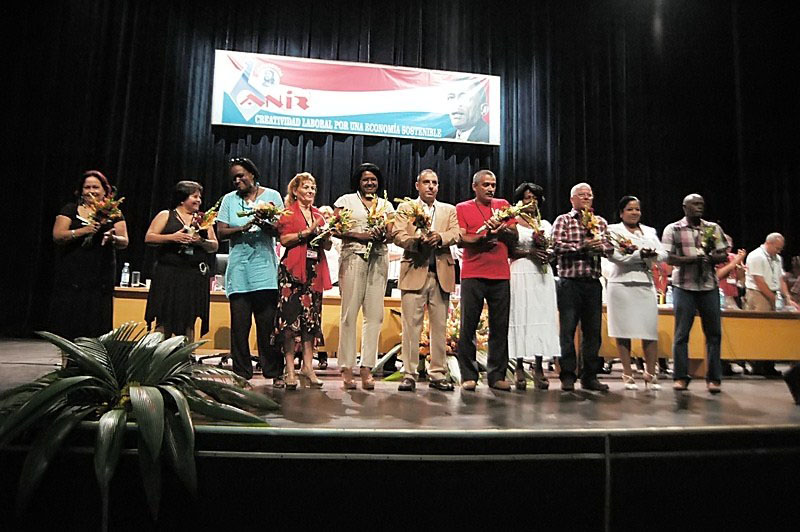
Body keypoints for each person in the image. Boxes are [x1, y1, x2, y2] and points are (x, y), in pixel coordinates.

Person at [216, 157, 284, 383]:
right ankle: (241, 374)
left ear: (252, 175)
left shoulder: (272, 196)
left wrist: (265, 224)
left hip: (264, 272)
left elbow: (281, 231)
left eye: (241, 176)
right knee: (240, 328)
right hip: (239, 272)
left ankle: (274, 372)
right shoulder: (229, 200)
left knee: (267, 327)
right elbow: (221, 232)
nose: (237, 180)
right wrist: (243, 227)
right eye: (234, 178)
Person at [393, 169, 460, 392]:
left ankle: (438, 373)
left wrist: (441, 238)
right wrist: (417, 242)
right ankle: (409, 373)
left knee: (440, 327)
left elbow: (457, 233)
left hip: (441, 273)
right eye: (426, 182)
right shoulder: (406, 208)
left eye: (434, 183)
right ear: (417, 185)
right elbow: (397, 234)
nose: (431, 186)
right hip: (414, 270)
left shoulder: (448, 209)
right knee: (411, 326)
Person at [333, 163, 395, 389]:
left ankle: (367, 368)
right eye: (365, 179)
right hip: (353, 258)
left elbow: (391, 234)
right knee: (349, 314)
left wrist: (382, 235)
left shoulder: (386, 204)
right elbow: (335, 228)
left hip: (378, 259)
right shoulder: (346, 201)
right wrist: (360, 235)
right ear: (358, 182)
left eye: (374, 179)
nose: (370, 183)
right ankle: (346, 368)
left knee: (375, 315)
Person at [455, 169, 517, 391]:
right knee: (468, 327)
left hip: (500, 274)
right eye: (486, 185)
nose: (491, 188)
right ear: (475, 187)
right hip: (473, 273)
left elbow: (515, 236)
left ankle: (497, 375)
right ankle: (468, 375)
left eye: (493, 184)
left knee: (500, 327)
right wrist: (484, 238)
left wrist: (502, 232)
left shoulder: (503, 206)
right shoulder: (463, 208)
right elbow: (462, 239)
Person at [661, 193, 728, 393]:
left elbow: (723, 252)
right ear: (685, 207)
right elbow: (667, 258)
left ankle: (714, 378)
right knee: (682, 334)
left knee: (714, 334)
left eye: (701, 204)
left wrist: (714, 257)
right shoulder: (673, 229)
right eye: (695, 204)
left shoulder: (713, 228)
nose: (699, 207)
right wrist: (691, 260)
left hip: (708, 285)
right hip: (684, 286)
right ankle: (681, 377)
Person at [50, 170, 129, 339]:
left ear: (104, 190)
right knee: (71, 317)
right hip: (73, 272)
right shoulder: (70, 209)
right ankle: (68, 361)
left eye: (96, 187)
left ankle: (93, 361)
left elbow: (125, 241)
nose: (91, 191)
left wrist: (113, 237)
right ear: (81, 190)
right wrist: (82, 231)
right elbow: (58, 235)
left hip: (101, 272)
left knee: (97, 316)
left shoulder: (114, 212)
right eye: (87, 187)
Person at [552, 183, 614, 392]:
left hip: (592, 283)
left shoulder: (600, 222)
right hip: (569, 283)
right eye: (582, 195)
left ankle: (590, 376)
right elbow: (556, 246)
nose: (586, 198)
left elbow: (610, 247)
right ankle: (568, 375)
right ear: (572, 200)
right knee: (568, 330)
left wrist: (600, 247)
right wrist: (582, 247)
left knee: (593, 333)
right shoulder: (564, 220)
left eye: (589, 194)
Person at [273, 173, 332, 389]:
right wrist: (305, 233)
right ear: (295, 191)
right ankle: (289, 369)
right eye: (306, 187)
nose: (310, 191)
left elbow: (327, 247)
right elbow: (284, 239)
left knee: (311, 321)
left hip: (314, 271)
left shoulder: (319, 214)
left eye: (313, 188)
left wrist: (326, 237)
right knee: (289, 323)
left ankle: (308, 366)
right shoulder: (288, 213)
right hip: (292, 273)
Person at [605, 196, 667, 390]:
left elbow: (662, 253)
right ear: (622, 212)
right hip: (620, 284)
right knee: (623, 331)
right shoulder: (612, 230)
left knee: (649, 330)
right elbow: (615, 257)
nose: (634, 213)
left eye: (637, 209)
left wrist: (651, 254)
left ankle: (650, 374)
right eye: (630, 209)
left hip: (644, 283)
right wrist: (640, 255)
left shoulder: (649, 231)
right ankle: (627, 373)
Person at [144, 181, 218, 340]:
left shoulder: (203, 219)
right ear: (182, 198)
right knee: (164, 317)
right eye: (195, 196)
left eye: (200, 197)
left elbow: (214, 245)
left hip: (192, 276)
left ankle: (186, 358)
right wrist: (173, 238)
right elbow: (149, 238)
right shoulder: (166, 215)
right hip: (168, 274)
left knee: (188, 319)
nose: (199, 200)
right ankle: (160, 358)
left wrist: (200, 242)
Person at [508, 183, 559, 390]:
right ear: (520, 200)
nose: (531, 201)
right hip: (520, 271)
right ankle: (519, 366)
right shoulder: (514, 223)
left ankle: (539, 367)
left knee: (541, 317)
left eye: (535, 198)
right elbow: (509, 251)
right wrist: (529, 253)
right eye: (527, 197)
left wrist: (548, 253)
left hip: (542, 274)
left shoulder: (545, 224)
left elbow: (554, 247)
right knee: (521, 316)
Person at [744, 233, 799, 377]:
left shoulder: (777, 258)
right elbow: (759, 281)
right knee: (759, 330)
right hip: (758, 294)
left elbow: (780, 279)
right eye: (777, 248)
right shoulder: (756, 256)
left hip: (773, 294)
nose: (779, 251)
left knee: (772, 331)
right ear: (769, 243)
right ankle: (757, 365)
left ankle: (769, 364)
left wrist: (787, 297)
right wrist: (773, 298)